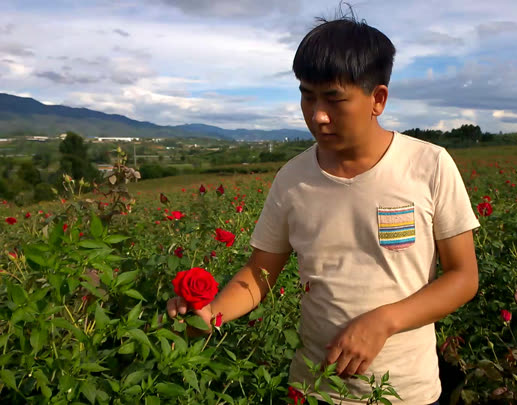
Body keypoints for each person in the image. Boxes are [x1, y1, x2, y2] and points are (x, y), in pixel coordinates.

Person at [166, 15, 479, 405]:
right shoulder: (293, 179)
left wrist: (383, 321)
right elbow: (258, 273)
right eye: (307, 96)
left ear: (378, 99)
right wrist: (212, 313)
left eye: (334, 98)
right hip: (314, 389)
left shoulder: (428, 165)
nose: (317, 115)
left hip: (407, 391)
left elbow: (464, 276)